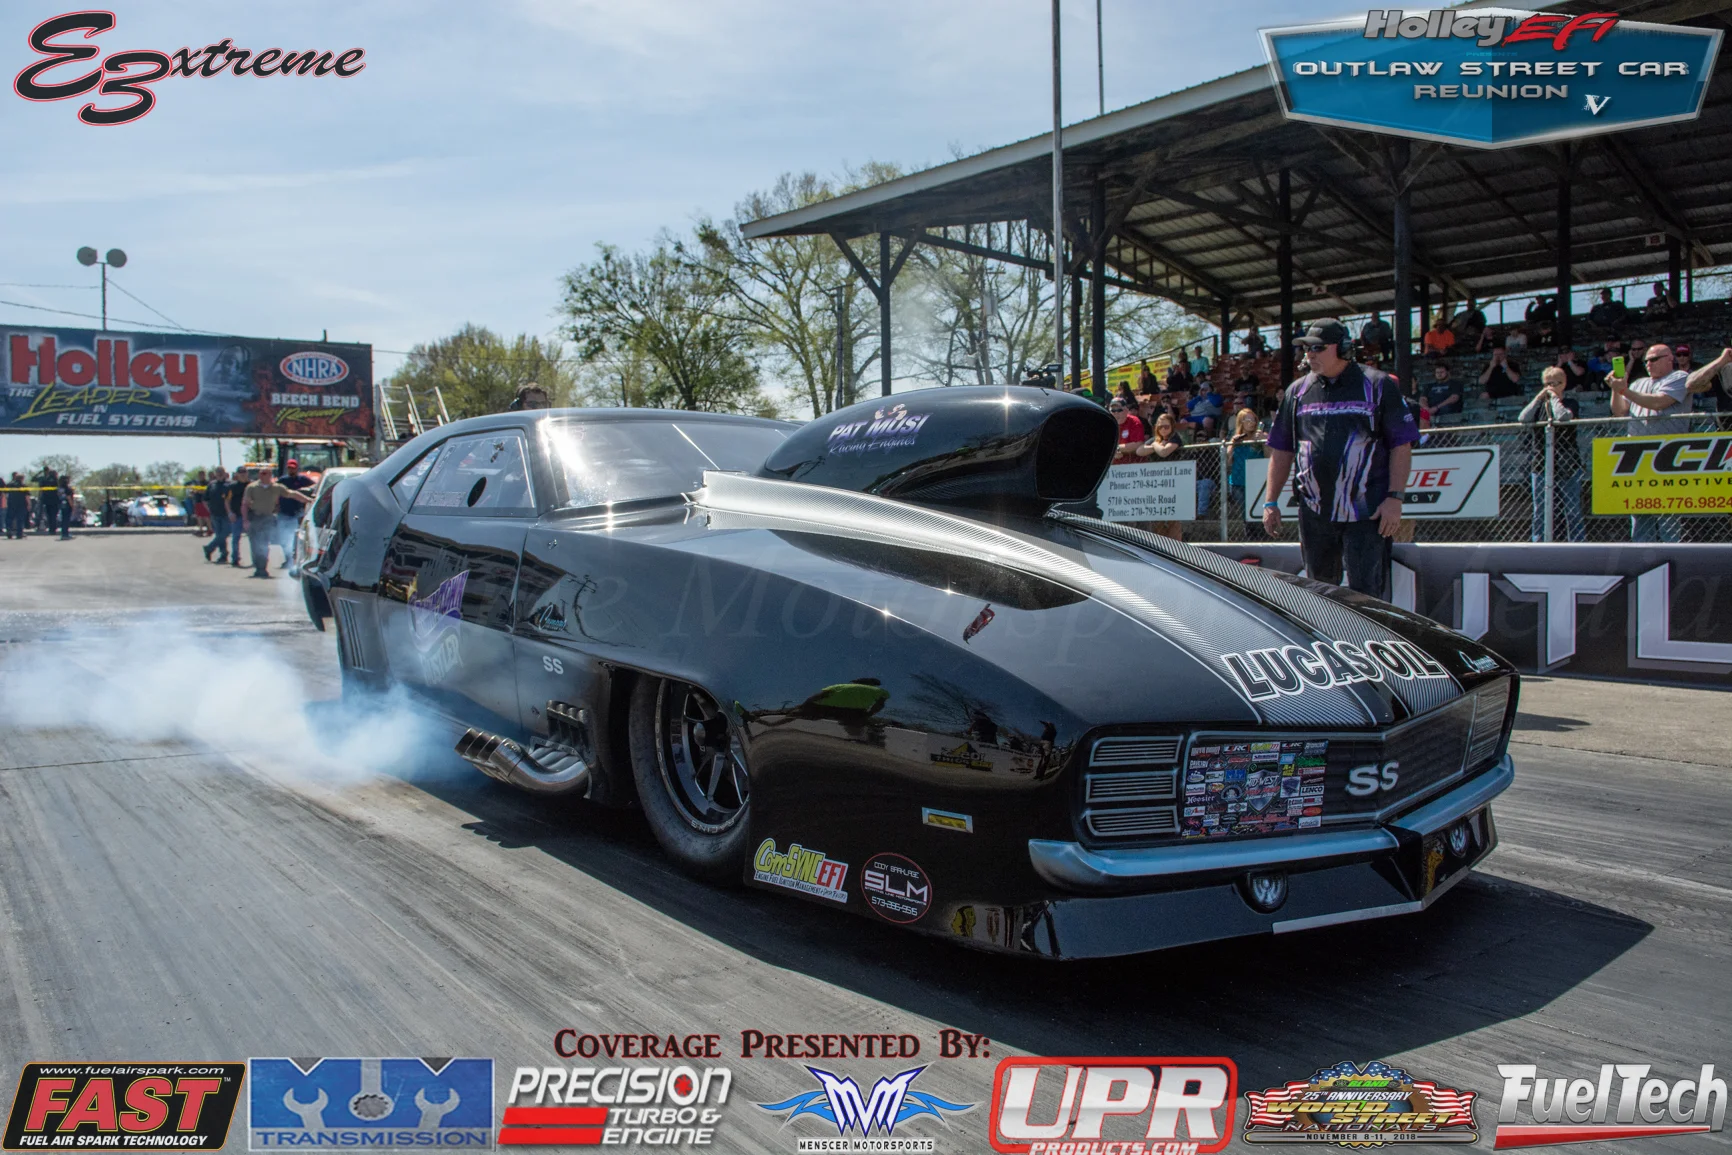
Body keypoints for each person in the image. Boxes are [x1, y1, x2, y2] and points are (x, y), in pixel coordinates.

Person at [1262, 319, 1418, 598]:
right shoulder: (1297, 391)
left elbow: (1401, 445)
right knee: (1318, 591)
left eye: (1318, 348)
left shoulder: (1377, 385)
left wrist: (1395, 498)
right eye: (1307, 348)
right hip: (1314, 511)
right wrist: (1270, 501)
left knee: (1367, 593)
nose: (1310, 354)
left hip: (1367, 510)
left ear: (1344, 348)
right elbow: (1282, 450)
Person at [1608, 343, 1691, 542]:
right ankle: (1642, 557)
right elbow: (1619, 411)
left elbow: (1658, 402)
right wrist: (1616, 389)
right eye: (1646, 360)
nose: (1648, 364)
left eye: (1653, 359)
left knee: (1668, 514)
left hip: (1667, 454)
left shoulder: (1679, 377)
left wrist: (1624, 390)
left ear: (1669, 358)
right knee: (1639, 514)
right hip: (1638, 454)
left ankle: (1671, 556)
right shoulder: (1638, 383)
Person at [1520, 367, 1586, 543]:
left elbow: (1563, 417)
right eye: (1546, 384)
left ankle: (1577, 543)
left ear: (1563, 384)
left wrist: (1555, 398)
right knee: (1540, 508)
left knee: (1572, 508)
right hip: (1541, 462)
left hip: (1567, 463)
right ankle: (1538, 542)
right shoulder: (1540, 405)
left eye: (1553, 384)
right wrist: (1538, 398)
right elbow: (1523, 418)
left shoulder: (1570, 403)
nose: (1548, 388)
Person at [241, 469, 311, 577]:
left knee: (264, 544)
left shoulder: (276, 487)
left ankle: (262, 568)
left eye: (265, 473)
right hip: (254, 518)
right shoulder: (252, 487)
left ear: (270, 475)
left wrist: (309, 500)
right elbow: (245, 504)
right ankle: (258, 566)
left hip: (268, 518)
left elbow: (292, 494)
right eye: (261, 473)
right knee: (255, 544)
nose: (262, 475)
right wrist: (245, 520)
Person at [1133, 412, 1186, 541]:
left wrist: (1155, 446)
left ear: (1172, 427)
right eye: (1160, 426)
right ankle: (1161, 544)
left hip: (1174, 482)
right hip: (1157, 484)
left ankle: (1176, 545)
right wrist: (1156, 445)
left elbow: (1164, 452)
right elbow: (1139, 451)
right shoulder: (1155, 440)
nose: (1163, 429)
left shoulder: (1175, 438)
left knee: (1174, 517)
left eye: (1166, 426)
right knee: (1158, 518)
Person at [1225, 407, 1265, 535]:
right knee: (1246, 510)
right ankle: (1251, 534)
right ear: (1241, 422)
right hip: (1238, 482)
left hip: (1257, 481)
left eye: (1253, 419)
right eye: (1248, 420)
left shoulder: (1261, 437)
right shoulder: (1236, 439)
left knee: (1257, 510)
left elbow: (1270, 456)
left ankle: (1260, 534)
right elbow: (1227, 461)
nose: (1251, 422)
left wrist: (1264, 441)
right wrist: (1232, 444)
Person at [276, 459, 316, 568]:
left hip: (299, 513)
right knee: (283, 538)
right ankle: (288, 559)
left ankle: (295, 560)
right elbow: (275, 492)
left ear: (297, 468)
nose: (291, 470)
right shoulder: (282, 481)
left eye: (293, 468)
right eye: (289, 468)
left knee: (297, 537)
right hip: (284, 512)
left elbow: (315, 486)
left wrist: (306, 489)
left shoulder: (303, 480)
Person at [203, 467, 233, 563]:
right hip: (215, 514)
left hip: (226, 514)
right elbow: (205, 500)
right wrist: (209, 510)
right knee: (220, 535)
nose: (219, 473)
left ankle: (209, 548)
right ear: (215, 474)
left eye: (221, 472)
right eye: (218, 472)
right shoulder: (211, 485)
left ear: (225, 473)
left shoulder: (229, 484)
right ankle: (223, 555)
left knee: (225, 533)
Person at [224, 467, 249, 567]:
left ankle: (257, 561)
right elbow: (227, 501)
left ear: (247, 473)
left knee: (254, 539)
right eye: (240, 472)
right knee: (235, 538)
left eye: (244, 472)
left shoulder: (251, 486)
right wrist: (230, 513)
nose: (242, 474)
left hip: (250, 517)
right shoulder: (232, 486)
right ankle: (235, 559)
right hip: (236, 516)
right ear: (237, 474)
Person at [33, 467, 59, 535]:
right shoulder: (55, 480)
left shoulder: (45, 480)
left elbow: (42, 488)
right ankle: (52, 528)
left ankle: (51, 528)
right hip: (52, 499)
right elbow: (33, 479)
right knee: (52, 515)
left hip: (46, 499)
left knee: (50, 515)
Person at [5, 472, 29, 540]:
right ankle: (19, 534)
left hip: (11, 503)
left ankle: (9, 531)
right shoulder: (23, 485)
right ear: (22, 479)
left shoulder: (10, 484)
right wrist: (29, 504)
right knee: (20, 519)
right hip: (21, 504)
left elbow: (5, 493)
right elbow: (27, 496)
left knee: (9, 518)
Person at [191, 468, 211, 537]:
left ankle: (210, 529)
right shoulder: (197, 483)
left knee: (206, 516)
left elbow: (205, 491)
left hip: (204, 501)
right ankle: (201, 530)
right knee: (199, 516)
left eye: (202, 474)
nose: (201, 476)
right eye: (200, 475)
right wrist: (194, 491)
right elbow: (194, 490)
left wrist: (199, 491)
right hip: (197, 501)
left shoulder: (207, 483)